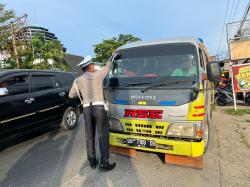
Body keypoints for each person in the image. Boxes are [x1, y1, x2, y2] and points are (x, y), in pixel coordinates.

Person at [69, 52, 118, 171]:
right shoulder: (98, 75)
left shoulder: (77, 80)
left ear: (82, 68)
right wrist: (113, 56)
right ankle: (104, 164)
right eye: (92, 64)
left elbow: (71, 95)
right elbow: (108, 66)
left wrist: (82, 92)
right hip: (99, 108)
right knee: (102, 135)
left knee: (89, 136)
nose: (94, 66)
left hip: (86, 109)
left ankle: (92, 162)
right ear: (90, 66)